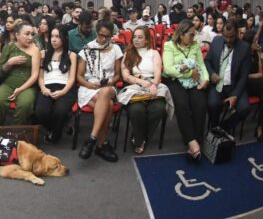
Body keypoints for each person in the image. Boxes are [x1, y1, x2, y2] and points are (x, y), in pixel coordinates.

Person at [162, 19, 209, 161]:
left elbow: (201, 64)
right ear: (181, 34)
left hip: (193, 81)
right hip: (175, 81)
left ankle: (196, 141)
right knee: (182, 104)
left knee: (200, 104)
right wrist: (189, 74)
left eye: (194, 34)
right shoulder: (169, 45)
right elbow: (168, 69)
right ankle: (192, 141)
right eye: (191, 34)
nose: (193, 37)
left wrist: (205, 79)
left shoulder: (195, 45)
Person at [76, 21, 122, 162]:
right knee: (108, 105)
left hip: (108, 86)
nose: (103, 39)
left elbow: (118, 75)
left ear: (111, 36)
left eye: (107, 36)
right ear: (96, 32)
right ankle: (101, 144)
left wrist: (110, 82)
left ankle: (92, 138)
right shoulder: (87, 49)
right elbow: (79, 76)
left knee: (106, 91)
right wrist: (89, 85)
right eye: (101, 35)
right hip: (89, 87)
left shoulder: (115, 49)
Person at [119, 26, 170, 153]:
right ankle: (140, 140)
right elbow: (126, 76)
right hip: (135, 85)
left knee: (159, 109)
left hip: (153, 84)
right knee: (137, 110)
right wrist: (142, 83)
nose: (136, 40)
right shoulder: (128, 54)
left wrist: (154, 85)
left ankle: (140, 137)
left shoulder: (154, 53)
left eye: (140, 37)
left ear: (147, 40)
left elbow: (158, 73)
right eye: (134, 37)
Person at [0, 22, 41, 127]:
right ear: (17, 35)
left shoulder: (35, 50)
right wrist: (9, 63)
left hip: (27, 86)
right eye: (27, 34)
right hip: (8, 84)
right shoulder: (9, 47)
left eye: (32, 34)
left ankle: (17, 132)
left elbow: (35, 75)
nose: (30, 37)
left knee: (25, 105)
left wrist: (20, 89)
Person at [204, 21, 251, 131]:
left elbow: (244, 76)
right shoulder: (216, 41)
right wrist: (212, 74)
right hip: (217, 85)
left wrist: (235, 95)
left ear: (237, 33)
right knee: (213, 104)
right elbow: (207, 61)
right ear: (222, 33)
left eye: (231, 37)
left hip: (234, 86)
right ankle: (213, 129)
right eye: (226, 36)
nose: (228, 40)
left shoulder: (244, 48)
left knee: (244, 108)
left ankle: (223, 127)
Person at [35, 28, 77, 144]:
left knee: (60, 111)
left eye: (57, 37)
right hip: (47, 86)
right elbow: (41, 77)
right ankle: (60, 127)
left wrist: (63, 91)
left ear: (64, 39)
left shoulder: (71, 55)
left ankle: (55, 135)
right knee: (41, 112)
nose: (54, 40)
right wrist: (43, 88)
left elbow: (72, 78)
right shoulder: (44, 53)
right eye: (52, 36)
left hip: (65, 87)